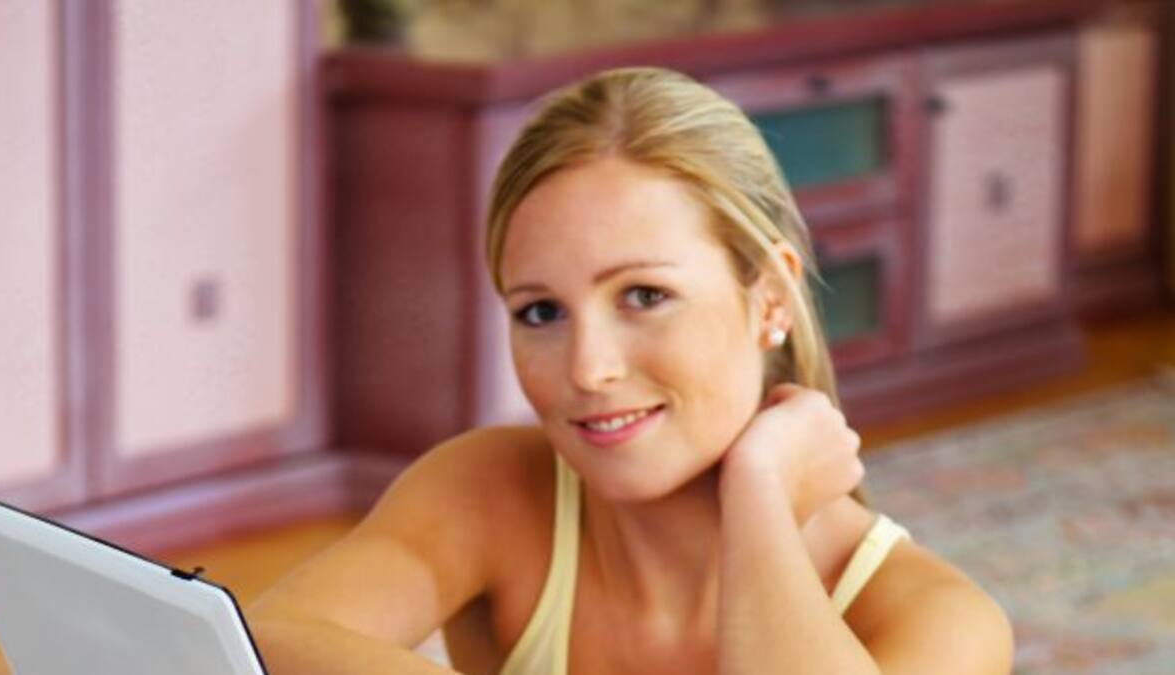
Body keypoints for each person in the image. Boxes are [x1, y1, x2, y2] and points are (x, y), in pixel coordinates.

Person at [248, 66, 1013, 674]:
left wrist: (758, 496)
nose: (588, 368)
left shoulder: (942, 622)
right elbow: (265, 642)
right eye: (541, 311)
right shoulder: (489, 493)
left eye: (645, 295)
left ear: (771, 298)